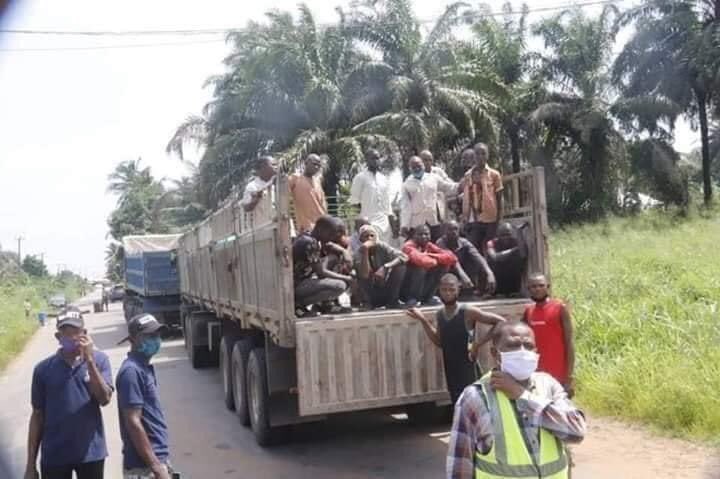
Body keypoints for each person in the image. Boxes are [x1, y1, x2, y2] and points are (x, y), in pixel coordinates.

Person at [447, 321, 586, 479]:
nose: (522, 352)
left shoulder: (549, 386)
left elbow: (576, 432)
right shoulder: (476, 397)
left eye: (528, 346)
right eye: (513, 345)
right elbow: (460, 465)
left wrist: (522, 396)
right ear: (495, 353)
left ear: (536, 351)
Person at [26, 311, 113, 479]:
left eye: (76, 332)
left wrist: (89, 361)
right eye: (66, 333)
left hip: (91, 454)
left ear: (85, 334)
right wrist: (30, 465)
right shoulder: (43, 370)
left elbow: (104, 399)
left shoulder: (100, 360)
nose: (72, 337)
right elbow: (37, 416)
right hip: (55, 456)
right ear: (58, 337)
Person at [406, 274, 506, 404]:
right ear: (439, 291)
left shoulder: (467, 311)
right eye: (444, 289)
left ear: (458, 290)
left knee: (475, 404)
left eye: (451, 289)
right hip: (451, 369)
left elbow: (501, 322)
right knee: (458, 405)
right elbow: (440, 342)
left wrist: (478, 344)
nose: (448, 293)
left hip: (468, 369)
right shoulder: (440, 314)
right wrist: (423, 320)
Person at [116, 314, 173, 479]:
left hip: (156, 460)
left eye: (157, 335)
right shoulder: (131, 372)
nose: (155, 340)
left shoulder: (143, 367)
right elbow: (133, 421)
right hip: (144, 468)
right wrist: (155, 466)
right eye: (149, 336)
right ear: (133, 339)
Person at [523, 273, 576, 398]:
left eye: (541, 285)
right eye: (533, 286)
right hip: (536, 373)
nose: (537, 289)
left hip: (558, 373)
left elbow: (569, 342)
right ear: (528, 289)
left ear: (548, 286)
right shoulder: (528, 311)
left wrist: (569, 376)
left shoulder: (560, 308)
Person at [293, 216, 351, 317]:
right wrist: (348, 279)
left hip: (301, 282)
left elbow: (323, 263)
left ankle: (325, 305)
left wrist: (342, 251)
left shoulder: (308, 237)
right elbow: (321, 271)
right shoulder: (310, 242)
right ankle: (297, 306)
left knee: (334, 258)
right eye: (331, 233)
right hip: (296, 286)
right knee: (339, 286)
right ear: (321, 229)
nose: (333, 238)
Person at [400, 156, 457, 242]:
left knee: (436, 245)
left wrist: (461, 185)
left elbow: (447, 187)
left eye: (419, 166)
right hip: (416, 224)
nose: (417, 169)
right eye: (414, 167)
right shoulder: (406, 184)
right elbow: (405, 206)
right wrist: (404, 225)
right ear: (410, 169)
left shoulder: (433, 178)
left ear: (423, 165)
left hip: (433, 221)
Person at [461, 144, 504, 254]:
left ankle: (491, 270)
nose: (480, 156)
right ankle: (478, 271)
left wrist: (499, 219)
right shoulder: (468, 175)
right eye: (477, 154)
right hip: (475, 219)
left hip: (491, 219)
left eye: (483, 153)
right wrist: (465, 218)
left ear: (487, 155)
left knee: (489, 248)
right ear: (473, 156)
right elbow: (467, 197)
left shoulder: (494, 175)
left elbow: (499, 198)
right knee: (473, 248)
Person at [401, 225, 457, 307]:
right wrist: (436, 259)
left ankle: (428, 297)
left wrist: (431, 255)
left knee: (444, 266)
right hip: (406, 287)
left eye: (426, 234)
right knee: (420, 268)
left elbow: (452, 258)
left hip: (422, 283)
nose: (424, 237)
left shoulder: (429, 245)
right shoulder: (408, 246)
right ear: (414, 236)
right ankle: (412, 298)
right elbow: (422, 261)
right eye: (420, 234)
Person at [437, 221, 496, 297]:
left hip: (462, 273)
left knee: (478, 262)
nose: (453, 232)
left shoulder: (464, 242)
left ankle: (480, 290)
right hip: (448, 272)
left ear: (459, 230)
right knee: (445, 265)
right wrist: (463, 275)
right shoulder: (440, 242)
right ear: (444, 231)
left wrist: (489, 273)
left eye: (455, 229)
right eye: (450, 229)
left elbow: (477, 256)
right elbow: (452, 259)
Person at [355, 224, 408, 309]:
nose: (369, 238)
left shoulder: (382, 246)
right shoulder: (358, 253)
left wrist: (386, 267)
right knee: (355, 274)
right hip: (370, 292)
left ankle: (392, 301)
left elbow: (404, 257)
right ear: (361, 239)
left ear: (376, 237)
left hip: (384, 288)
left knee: (400, 266)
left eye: (372, 235)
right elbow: (364, 275)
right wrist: (365, 250)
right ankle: (367, 303)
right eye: (366, 236)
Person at [349, 149, 396, 242]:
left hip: (384, 224)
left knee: (384, 252)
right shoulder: (360, 177)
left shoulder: (383, 179)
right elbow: (354, 202)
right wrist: (359, 223)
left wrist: (392, 225)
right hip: (368, 222)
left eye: (378, 158)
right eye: (373, 158)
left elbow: (387, 205)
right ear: (367, 160)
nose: (376, 161)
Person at [289, 153, 327, 233]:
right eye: (314, 164)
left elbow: (322, 203)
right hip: (306, 227)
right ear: (306, 163)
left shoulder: (317, 181)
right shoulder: (295, 178)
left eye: (318, 165)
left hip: (321, 225)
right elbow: (284, 197)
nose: (316, 167)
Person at [486, 222, 528, 296]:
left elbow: (523, 254)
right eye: (503, 235)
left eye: (508, 235)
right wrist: (513, 250)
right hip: (497, 270)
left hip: (510, 270)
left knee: (518, 261)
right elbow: (495, 257)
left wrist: (519, 232)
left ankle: (514, 290)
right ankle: (497, 291)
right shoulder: (491, 243)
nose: (506, 237)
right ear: (498, 235)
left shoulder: (514, 241)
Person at [420, 150, 453, 233]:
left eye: (430, 160)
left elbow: (450, 185)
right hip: (425, 216)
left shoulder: (438, 172)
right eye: (425, 160)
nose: (427, 162)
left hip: (441, 212)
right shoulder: (416, 176)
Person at [240, 156, 277, 224]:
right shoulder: (252, 186)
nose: (276, 166)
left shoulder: (279, 181)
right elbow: (246, 207)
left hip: (282, 223)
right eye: (273, 164)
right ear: (263, 167)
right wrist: (257, 197)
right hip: (265, 227)